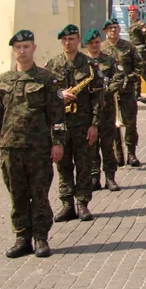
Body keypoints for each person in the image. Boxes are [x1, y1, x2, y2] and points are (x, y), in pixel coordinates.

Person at [0, 30, 67, 258]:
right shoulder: (3, 81)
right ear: (13, 51)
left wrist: (58, 143)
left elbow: (57, 116)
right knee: (18, 195)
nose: (22, 51)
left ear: (34, 48)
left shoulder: (46, 79)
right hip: (11, 148)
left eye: (26, 47)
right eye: (18, 47)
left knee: (39, 194)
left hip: (39, 149)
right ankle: (22, 238)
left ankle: (41, 238)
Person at [45, 24, 103, 223]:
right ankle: (67, 204)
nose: (68, 43)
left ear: (78, 41)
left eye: (71, 39)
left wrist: (94, 124)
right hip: (61, 124)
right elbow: (45, 95)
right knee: (63, 165)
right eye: (64, 40)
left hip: (83, 124)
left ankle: (83, 203)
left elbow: (98, 97)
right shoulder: (52, 65)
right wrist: (61, 95)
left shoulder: (89, 65)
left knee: (84, 164)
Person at [83, 28, 123, 192]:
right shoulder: (82, 63)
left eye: (97, 42)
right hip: (89, 110)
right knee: (91, 144)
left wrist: (105, 93)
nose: (95, 45)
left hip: (106, 109)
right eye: (91, 43)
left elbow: (119, 78)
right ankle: (94, 177)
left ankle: (110, 177)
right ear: (86, 45)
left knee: (107, 144)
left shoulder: (110, 60)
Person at [102, 17, 144, 171]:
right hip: (109, 94)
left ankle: (131, 153)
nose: (113, 31)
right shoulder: (102, 49)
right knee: (113, 125)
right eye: (110, 28)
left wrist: (131, 78)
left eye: (116, 28)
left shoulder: (128, 47)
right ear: (106, 32)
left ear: (120, 30)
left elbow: (140, 66)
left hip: (127, 92)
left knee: (130, 123)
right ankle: (118, 154)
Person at [127, 5, 146, 95]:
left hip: (140, 49)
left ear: (137, 13)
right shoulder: (131, 24)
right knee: (136, 71)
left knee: (143, 72)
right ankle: (137, 93)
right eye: (129, 12)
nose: (130, 14)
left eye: (132, 12)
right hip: (134, 50)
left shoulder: (140, 24)